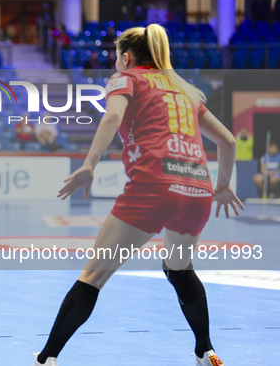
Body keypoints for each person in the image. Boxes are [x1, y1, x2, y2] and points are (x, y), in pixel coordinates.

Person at [33, 24, 243, 366]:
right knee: (179, 269)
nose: (116, 63)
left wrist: (89, 165)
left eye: (117, 57)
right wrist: (222, 186)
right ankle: (206, 350)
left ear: (126, 57)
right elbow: (228, 142)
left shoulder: (127, 78)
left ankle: (45, 358)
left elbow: (113, 116)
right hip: (197, 191)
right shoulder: (184, 89)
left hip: (154, 188)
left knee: (93, 276)